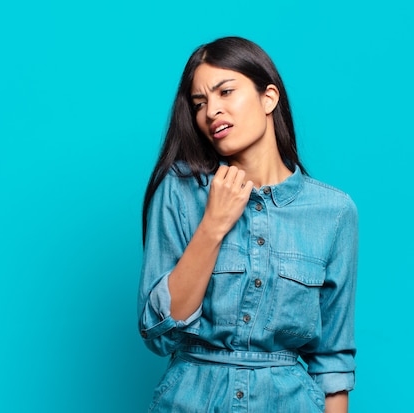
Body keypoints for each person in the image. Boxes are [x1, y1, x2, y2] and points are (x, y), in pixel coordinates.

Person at [138, 36, 358, 412]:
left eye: (226, 91)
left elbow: (332, 359)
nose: (211, 112)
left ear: (268, 97)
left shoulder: (333, 211)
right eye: (200, 103)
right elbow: (161, 332)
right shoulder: (180, 191)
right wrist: (213, 224)